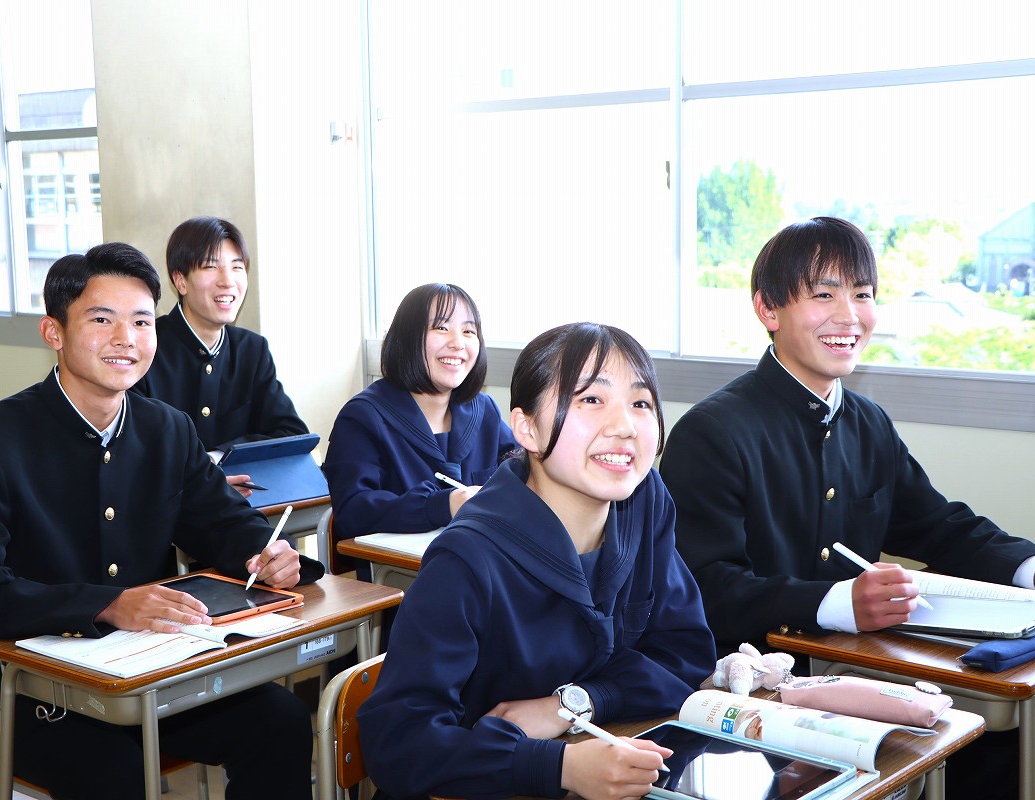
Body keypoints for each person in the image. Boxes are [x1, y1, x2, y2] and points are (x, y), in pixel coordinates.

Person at [659, 216, 1035, 800]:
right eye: (823, 294)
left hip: (860, 686)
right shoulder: (712, 431)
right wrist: (840, 603)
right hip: (750, 705)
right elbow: (706, 589)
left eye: (862, 294)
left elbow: (940, 526)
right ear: (768, 309)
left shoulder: (867, 422)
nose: (849, 315)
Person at [0, 242, 324, 800]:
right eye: (101, 319)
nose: (126, 339)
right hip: (12, 688)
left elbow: (221, 523)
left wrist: (268, 554)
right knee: (112, 768)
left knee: (279, 722)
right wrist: (105, 604)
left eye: (141, 321)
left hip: (149, 672)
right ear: (53, 332)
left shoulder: (168, 429)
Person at [358, 322, 716, 800]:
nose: (625, 427)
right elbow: (399, 742)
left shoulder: (644, 502)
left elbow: (685, 654)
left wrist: (576, 703)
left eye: (641, 403)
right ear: (526, 427)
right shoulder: (468, 557)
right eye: (592, 400)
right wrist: (559, 767)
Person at [322, 283, 515, 579]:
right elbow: (353, 514)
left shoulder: (483, 409)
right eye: (441, 328)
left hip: (487, 571)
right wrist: (443, 505)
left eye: (468, 331)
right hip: (406, 589)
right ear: (408, 338)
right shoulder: (363, 416)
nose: (458, 343)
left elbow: (519, 471)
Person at [133, 216, 307, 498]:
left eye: (237, 267)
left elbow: (291, 434)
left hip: (240, 508)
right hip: (167, 510)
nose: (228, 281)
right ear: (181, 281)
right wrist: (204, 472)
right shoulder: (145, 346)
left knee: (282, 543)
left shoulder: (252, 350)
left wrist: (220, 456)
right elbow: (136, 449)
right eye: (211, 267)